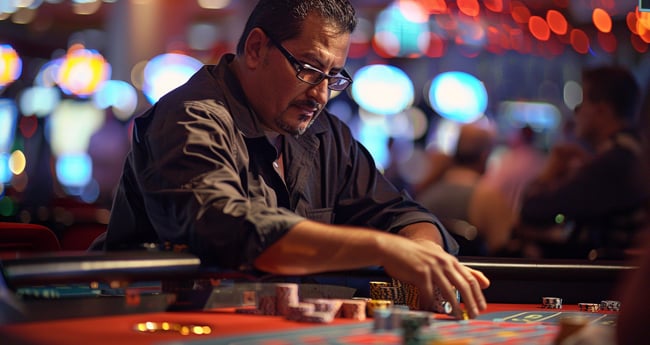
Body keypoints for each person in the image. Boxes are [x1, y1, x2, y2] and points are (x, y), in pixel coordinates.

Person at [93, 0, 489, 318]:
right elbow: (234, 231)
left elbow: (401, 214)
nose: (320, 95)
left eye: (333, 77)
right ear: (256, 48)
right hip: (148, 325)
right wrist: (384, 249)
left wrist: (425, 255)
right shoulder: (189, 118)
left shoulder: (325, 135)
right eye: (308, 69)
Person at [516, 66, 650, 260]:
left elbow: (533, 210)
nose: (575, 113)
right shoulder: (633, 152)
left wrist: (550, 172)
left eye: (580, 105)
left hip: (605, 284)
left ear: (601, 111)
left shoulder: (614, 162)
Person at [416, 123, 516, 256]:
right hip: (469, 274)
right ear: (485, 155)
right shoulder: (487, 197)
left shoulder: (427, 191)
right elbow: (503, 249)